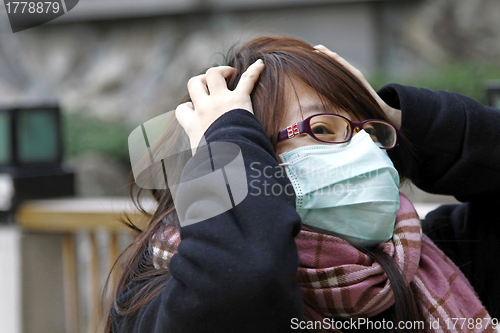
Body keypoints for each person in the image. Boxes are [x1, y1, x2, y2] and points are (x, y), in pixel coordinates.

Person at [106, 36, 500, 332]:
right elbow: (243, 282)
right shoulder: (162, 299)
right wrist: (227, 142)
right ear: (253, 158)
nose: (364, 148)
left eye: (370, 132)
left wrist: (396, 116)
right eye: (323, 128)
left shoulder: (437, 257)